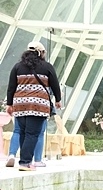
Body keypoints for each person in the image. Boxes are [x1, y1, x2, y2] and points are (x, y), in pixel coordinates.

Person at [5, 41, 62, 171]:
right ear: (40, 52)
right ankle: (25, 162)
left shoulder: (17, 67)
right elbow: (55, 85)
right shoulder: (47, 67)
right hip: (38, 105)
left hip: (20, 105)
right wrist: (58, 100)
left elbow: (11, 87)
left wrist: (9, 104)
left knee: (24, 133)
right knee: (32, 134)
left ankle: (25, 160)